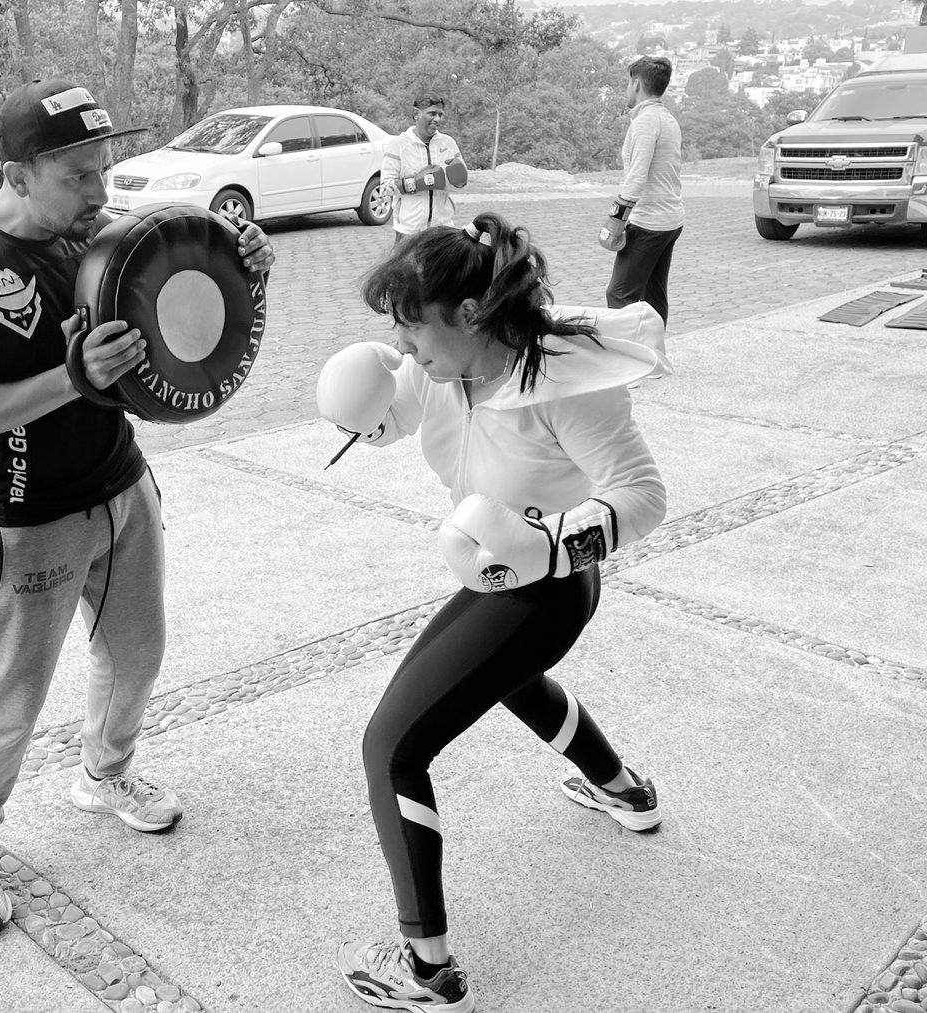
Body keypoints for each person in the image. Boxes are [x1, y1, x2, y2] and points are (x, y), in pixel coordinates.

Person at [0, 78, 275, 937]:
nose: (100, 193)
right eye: (77, 175)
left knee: (137, 653)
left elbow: (177, 264)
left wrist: (237, 255)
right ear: (17, 173)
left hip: (121, 489)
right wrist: (71, 379)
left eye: (104, 170)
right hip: (26, 518)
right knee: (10, 697)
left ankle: (105, 773)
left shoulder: (92, 235)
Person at [317, 213, 668, 1012]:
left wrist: (550, 543)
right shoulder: (444, 368)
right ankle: (625, 791)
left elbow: (644, 496)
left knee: (390, 746)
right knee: (506, 679)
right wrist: (363, 408)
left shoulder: (561, 380)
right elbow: (389, 409)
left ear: (471, 314)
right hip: (500, 576)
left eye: (413, 326)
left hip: (545, 588)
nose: (404, 345)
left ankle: (427, 972)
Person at [601, 56, 684, 328]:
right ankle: (654, 358)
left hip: (649, 223)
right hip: (670, 219)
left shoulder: (646, 121)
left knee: (619, 293)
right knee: (653, 295)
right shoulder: (667, 118)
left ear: (636, 84)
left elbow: (636, 179)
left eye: (628, 83)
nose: (627, 88)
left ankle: (630, 360)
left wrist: (614, 222)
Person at [380, 94, 467, 243]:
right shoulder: (398, 145)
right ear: (416, 114)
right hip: (409, 229)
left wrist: (457, 179)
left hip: (443, 227)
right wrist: (416, 183)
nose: (437, 119)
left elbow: (461, 184)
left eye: (440, 115)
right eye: (432, 113)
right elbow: (384, 189)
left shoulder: (448, 143)